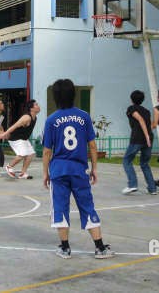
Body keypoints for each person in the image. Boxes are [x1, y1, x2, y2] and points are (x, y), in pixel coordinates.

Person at [42, 79, 115, 259]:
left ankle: (65, 248)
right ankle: (100, 248)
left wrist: (45, 173)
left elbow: (46, 151)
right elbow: (92, 146)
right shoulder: (84, 116)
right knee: (87, 206)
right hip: (79, 169)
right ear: (73, 94)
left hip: (59, 170)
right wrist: (94, 168)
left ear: (56, 96)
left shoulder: (51, 120)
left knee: (60, 207)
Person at [122, 90, 156, 195]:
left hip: (138, 138)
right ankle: (152, 188)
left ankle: (132, 184)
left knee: (127, 160)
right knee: (144, 164)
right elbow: (149, 124)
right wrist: (148, 136)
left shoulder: (131, 108)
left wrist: (146, 136)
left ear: (131, 99)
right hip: (148, 139)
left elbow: (140, 120)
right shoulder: (147, 111)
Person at [0, 99, 40, 180]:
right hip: (15, 138)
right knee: (22, 155)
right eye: (36, 105)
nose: (38, 106)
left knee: (30, 154)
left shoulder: (35, 117)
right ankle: (9, 166)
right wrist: (4, 134)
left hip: (23, 139)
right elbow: (15, 126)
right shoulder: (26, 117)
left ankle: (22, 173)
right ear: (31, 108)